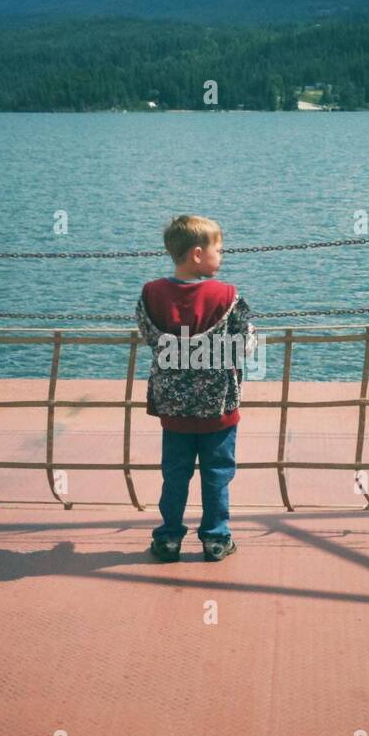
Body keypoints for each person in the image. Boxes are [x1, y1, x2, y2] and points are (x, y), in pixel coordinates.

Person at [135, 215, 257, 562]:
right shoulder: (228, 295)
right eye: (219, 250)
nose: (223, 255)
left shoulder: (151, 293)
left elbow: (149, 336)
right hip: (218, 407)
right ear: (199, 254)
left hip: (173, 408)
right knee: (217, 474)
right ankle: (216, 539)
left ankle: (169, 538)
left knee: (175, 474)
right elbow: (244, 344)